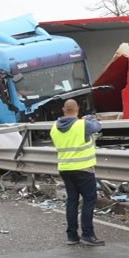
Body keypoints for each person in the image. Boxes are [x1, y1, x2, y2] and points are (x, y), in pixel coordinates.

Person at [50, 99, 105, 246]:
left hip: (65, 169)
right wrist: (90, 118)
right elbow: (98, 126)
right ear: (77, 109)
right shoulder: (83, 124)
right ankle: (88, 234)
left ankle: (72, 236)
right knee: (89, 200)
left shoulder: (54, 127)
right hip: (83, 169)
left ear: (63, 110)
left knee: (72, 201)